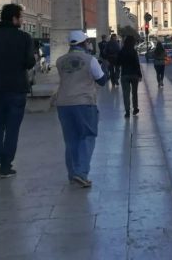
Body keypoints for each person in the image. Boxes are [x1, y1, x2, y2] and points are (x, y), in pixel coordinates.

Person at [0, 4, 36, 179]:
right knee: (12, 128)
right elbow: (29, 62)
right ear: (14, 18)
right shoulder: (23, 37)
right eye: (20, 17)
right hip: (16, 88)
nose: (22, 20)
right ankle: (6, 166)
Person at [54, 31, 108, 187]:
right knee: (87, 136)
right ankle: (81, 173)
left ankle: (72, 174)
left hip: (63, 103)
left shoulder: (60, 61)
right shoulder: (90, 60)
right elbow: (102, 80)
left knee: (71, 140)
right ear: (84, 43)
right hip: (84, 102)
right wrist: (104, 66)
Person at [116, 36, 142, 119]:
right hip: (134, 74)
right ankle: (135, 108)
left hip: (125, 74)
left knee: (126, 93)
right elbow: (137, 64)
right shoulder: (134, 51)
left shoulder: (122, 51)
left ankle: (127, 111)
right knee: (134, 93)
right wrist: (139, 74)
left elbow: (118, 63)